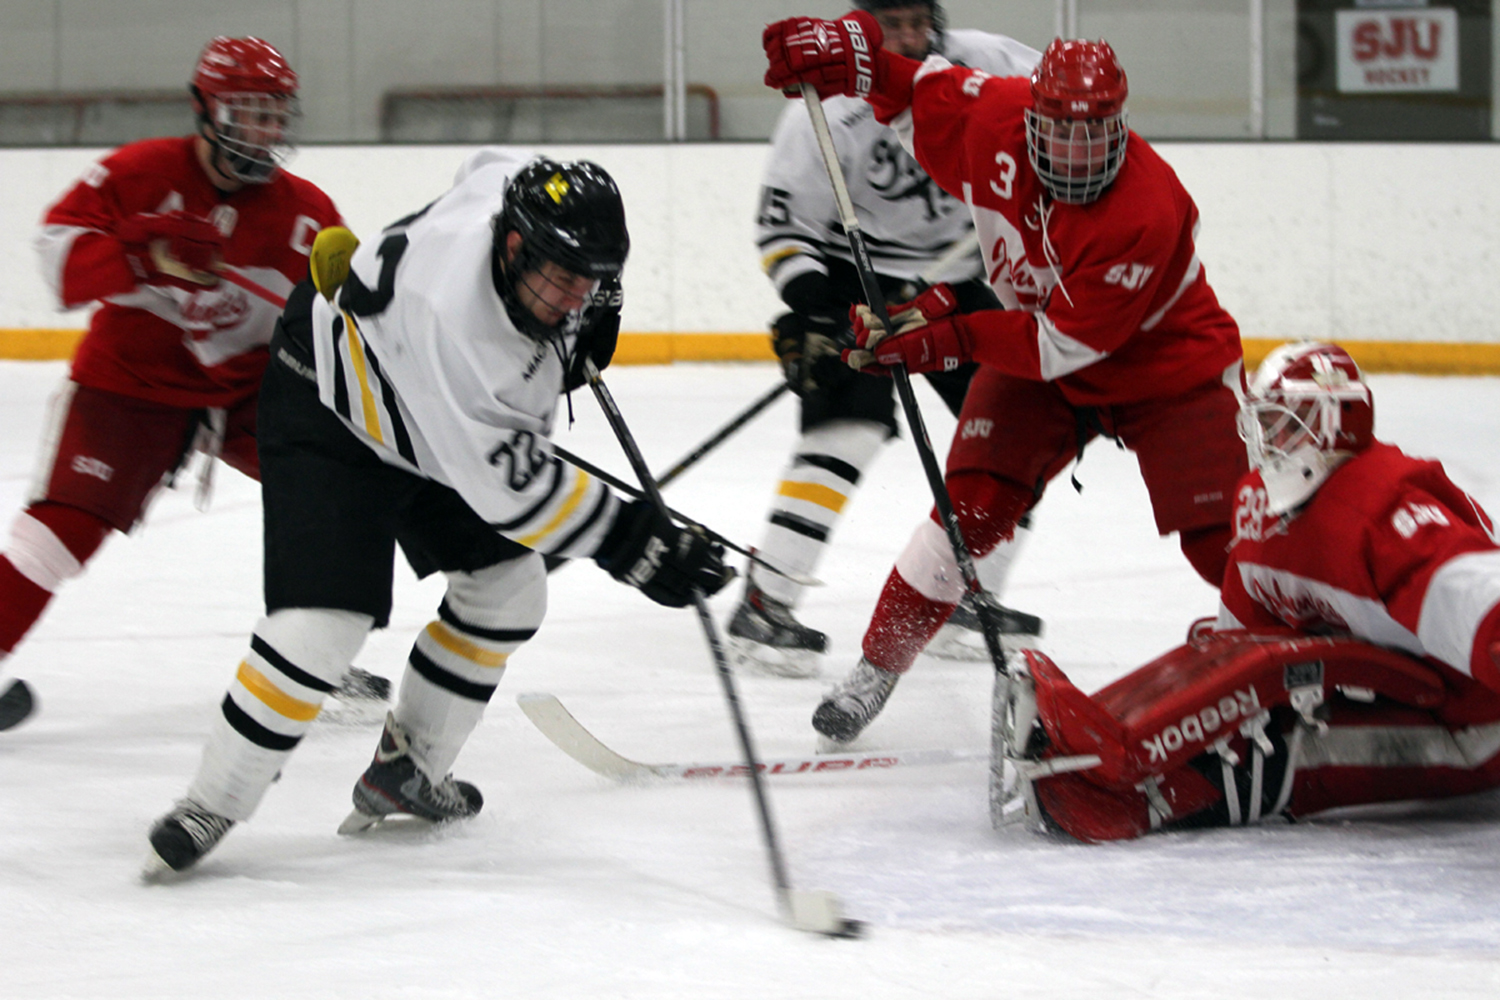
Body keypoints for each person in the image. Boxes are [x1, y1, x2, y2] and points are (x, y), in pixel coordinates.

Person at [144, 150, 733, 875]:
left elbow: (485, 164)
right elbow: (512, 492)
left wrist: (588, 310)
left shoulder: (507, 199)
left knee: (509, 592)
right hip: (332, 407)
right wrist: (636, 542)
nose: (576, 297)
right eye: (563, 278)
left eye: (594, 280)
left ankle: (408, 768)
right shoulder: (462, 331)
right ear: (514, 247)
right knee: (323, 625)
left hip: (423, 410)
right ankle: (212, 800)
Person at [761, 16, 1247, 745]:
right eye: (1059, 133)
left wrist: (944, 336)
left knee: (1225, 541)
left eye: (1095, 134)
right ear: (1032, 117)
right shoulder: (994, 114)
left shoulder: (1146, 209)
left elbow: (1056, 347)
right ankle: (877, 666)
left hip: (1167, 367)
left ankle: (1284, 648)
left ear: (1119, 125)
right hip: (1044, 345)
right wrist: (849, 56)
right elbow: (906, 86)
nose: (1078, 155)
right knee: (972, 513)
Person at [996, 342, 1500, 842]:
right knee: (1240, 677)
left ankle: (1136, 796)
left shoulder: (1383, 511)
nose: (1270, 440)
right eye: (1266, 423)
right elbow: (1235, 649)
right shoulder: (1260, 503)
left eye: (1287, 422)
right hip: (1404, 692)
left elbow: (1482, 605)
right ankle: (1101, 745)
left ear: (1337, 421)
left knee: (1290, 743)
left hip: (1478, 727)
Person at [0, 37, 343, 731]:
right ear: (205, 110)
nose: (268, 132)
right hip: (130, 388)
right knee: (60, 531)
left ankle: (312, 660)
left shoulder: (305, 210)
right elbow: (58, 264)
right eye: (250, 113)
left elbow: (355, 315)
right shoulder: (138, 171)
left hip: (252, 394)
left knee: (339, 494)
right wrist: (144, 252)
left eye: (277, 116)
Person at [729, 0, 1045, 678]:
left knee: (1025, 429)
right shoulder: (825, 104)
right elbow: (784, 231)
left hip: (962, 275)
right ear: (862, 27)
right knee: (847, 430)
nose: (906, 38)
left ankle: (969, 598)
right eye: (888, 25)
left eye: (916, 21)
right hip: (857, 275)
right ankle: (766, 601)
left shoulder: (989, 62)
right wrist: (818, 313)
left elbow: (1074, 115)